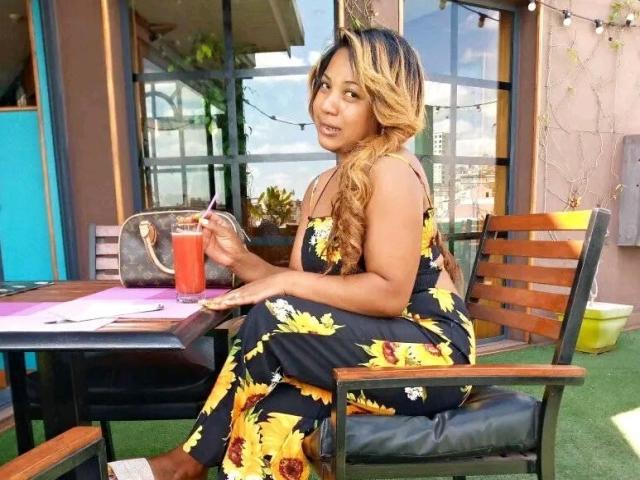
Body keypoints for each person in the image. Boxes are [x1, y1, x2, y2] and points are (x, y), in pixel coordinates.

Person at [108, 27, 475, 480]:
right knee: (268, 420)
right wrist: (240, 259)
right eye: (325, 86)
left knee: (271, 316)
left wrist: (281, 283)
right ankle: (197, 465)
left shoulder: (393, 170)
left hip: (431, 354)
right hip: (363, 349)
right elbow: (307, 289)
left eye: (352, 94)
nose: (328, 105)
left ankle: (188, 461)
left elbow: (388, 294)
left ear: (384, 105)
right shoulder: (320, 186)